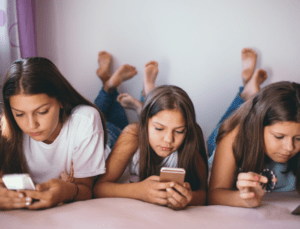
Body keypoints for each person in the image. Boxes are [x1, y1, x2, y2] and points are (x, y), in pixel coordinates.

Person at [0, 57, 110, 210]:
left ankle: (109, 88)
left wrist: (67, 191)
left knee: (109, 115)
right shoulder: (7, 130)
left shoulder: (85, 119)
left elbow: (85, 189)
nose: (32, 125)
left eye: (42, 112)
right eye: (19, 114)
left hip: (107, 137)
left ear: (61, 100)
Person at [93, 80, 208, 209]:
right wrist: (139, 191)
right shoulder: (132, 135)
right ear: (144, 123)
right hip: (114, 136)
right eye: (159, 128)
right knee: (100, 118)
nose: (168, 140)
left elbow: (204, 193)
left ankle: (143, 101)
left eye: (179, 131)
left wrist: (189, 197)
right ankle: (109, 87)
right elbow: (99, 187)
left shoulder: (193, 137)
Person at [208, 48, 300, 208]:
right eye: (279, 137)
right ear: (258, 127)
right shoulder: (234, 137)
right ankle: (246, 93)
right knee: (223, 128)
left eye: (298, 138)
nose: (289, 147)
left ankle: (250, 91)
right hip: (222, 141)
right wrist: (244, 199)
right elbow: (214, 195)